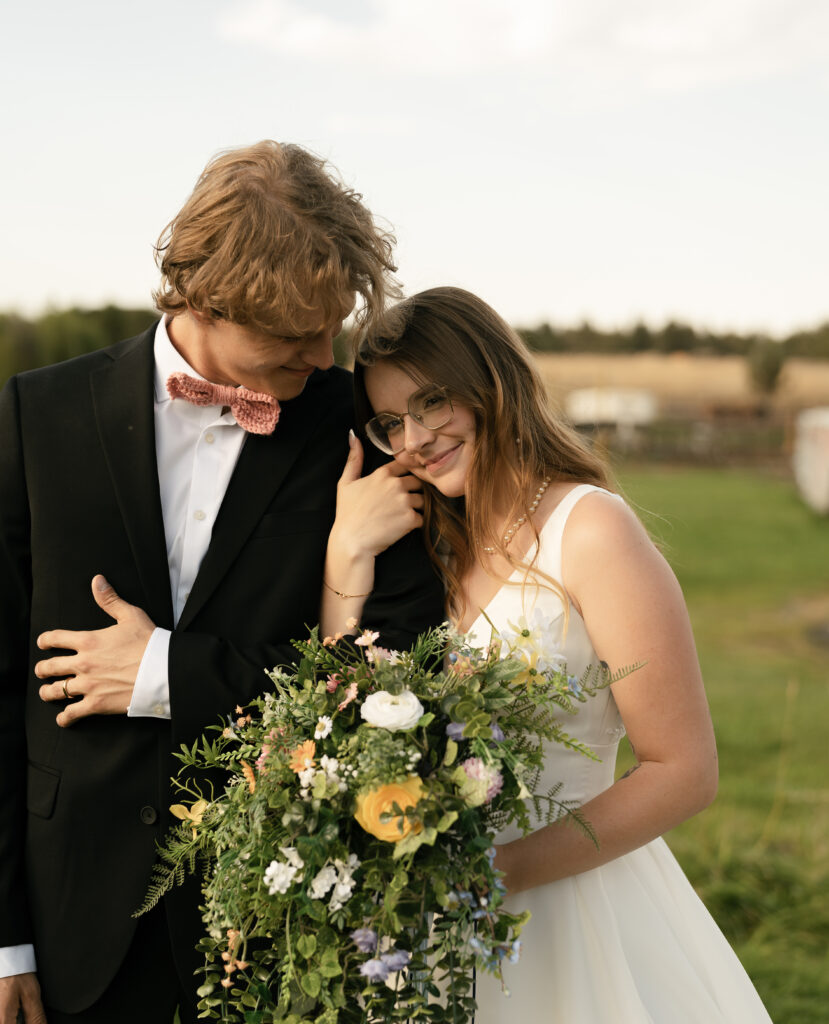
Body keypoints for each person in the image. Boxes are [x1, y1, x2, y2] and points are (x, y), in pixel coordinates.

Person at [0, 142, 444, 1024]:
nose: (323, 357)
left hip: (285, 919)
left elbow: (396, 670)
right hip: (68, 926)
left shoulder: (354, 427)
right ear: (201, 294)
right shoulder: (31, 417)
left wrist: (167, 675)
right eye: (291, 334)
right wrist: (5, 935)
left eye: (334, 326)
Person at [322, 286, 773, 1022]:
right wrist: (346, 553)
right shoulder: (427, 550)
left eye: (433, 403)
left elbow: (684, 771)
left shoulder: (589, 529)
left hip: (570, 902)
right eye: (389, 422)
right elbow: (340, 710)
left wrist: (491, 874)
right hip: (433, 931)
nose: (413, 438)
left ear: (490, 385)